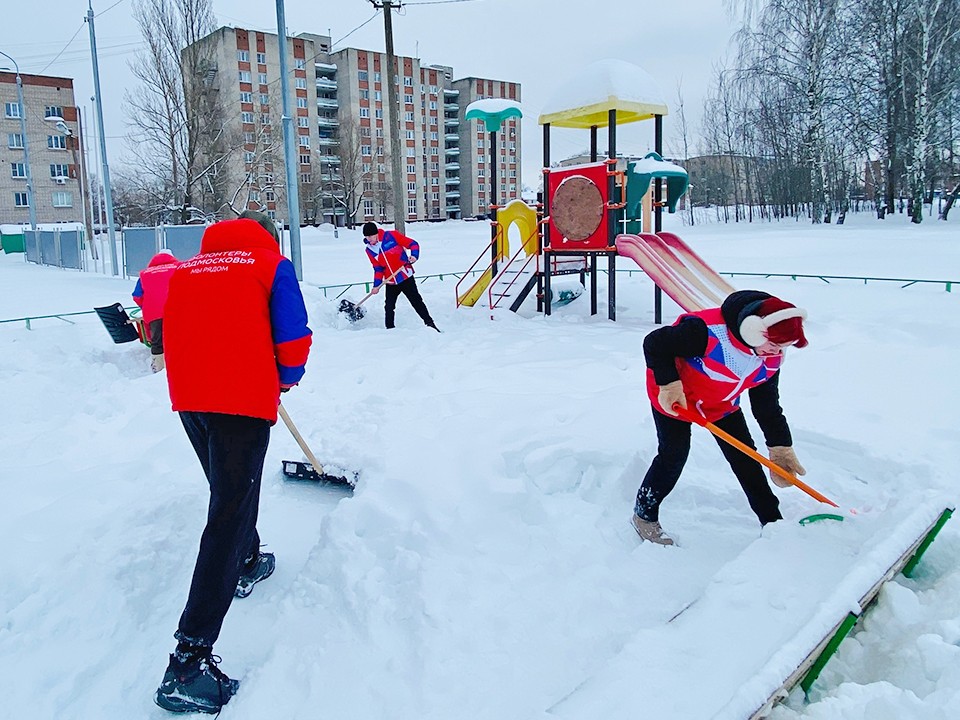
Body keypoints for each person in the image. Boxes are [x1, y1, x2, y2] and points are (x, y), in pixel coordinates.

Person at [154, 210, 312, 714]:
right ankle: (187, 662)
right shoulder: (270, 265)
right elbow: (292, 337)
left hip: (191, 399)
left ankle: (247, 560)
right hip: (239, 401)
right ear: (267, 234)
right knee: (228, 512)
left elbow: (163, 328)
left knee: (230, 495)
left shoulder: (188, 268)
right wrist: (285, 378)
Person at [632, 290, 809, 546]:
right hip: (676, 399)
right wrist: (669, 386)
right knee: (674, 455)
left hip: (720, 403)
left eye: (784, 347)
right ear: (754, 329)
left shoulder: (770, 357)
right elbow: (655, 343)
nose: (777, 352)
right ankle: (644, 515)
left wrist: (780, 446)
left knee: (746, 458)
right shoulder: (705, 332)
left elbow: (767, 406)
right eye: (774, 343)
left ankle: (772, 522)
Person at [362, 221, 440, 331]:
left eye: (370, 236)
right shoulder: (369, 250)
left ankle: (430, 324)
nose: (369, 239)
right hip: (391, 281)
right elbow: (378, 269)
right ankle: (390, 329)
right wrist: (376, 285)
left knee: (416, 301)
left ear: (376, 233)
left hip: (404, 275)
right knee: (389, 306)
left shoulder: (391, 236)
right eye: (366, 236)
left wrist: (414, 256)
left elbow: (413, 244)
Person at [132, 250, 179, 373]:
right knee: (177, 338)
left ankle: (158, 368)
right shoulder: (179, 268)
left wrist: (146, 306)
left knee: (157, 341)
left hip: (154, 313)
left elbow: (137, 296)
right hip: (176, 310)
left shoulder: (145, 274)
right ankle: (178, 366)